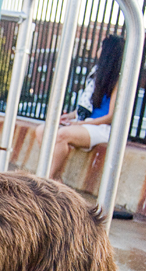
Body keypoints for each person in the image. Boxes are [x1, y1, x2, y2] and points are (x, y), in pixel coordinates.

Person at [33, 34, 125, 181]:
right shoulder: (96, 74)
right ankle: (56, 177)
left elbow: (111, 116)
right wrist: (69, 116)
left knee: (62, 135)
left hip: (101, 127)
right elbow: (88, 107)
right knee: (41, 130)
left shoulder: (119, 79)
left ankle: (46, 179)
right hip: (84, 123)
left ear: (108, 51)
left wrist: (82, 123)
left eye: (102, 46)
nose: (99, 49)